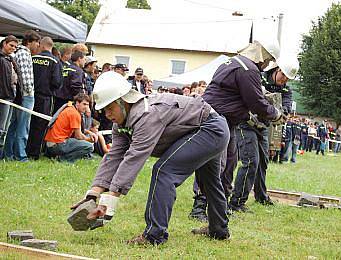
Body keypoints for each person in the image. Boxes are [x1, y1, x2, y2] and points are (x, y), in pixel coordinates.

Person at [71, 71, 230, 245]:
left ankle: (154, 235)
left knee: (164, 172)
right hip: (209, 127)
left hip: (211, 129)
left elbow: (134, 157)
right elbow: (115, 156)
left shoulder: (147, 115)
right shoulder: (121, 123)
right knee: (209, 181)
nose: (107, 115)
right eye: (104, 110)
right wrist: (93, 194)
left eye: (110, 108)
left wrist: (109, 202)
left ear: (124, 101)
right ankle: (219, 230)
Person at [189, 36, 285, 220]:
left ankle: (220, 207)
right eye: (268, 60)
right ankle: (199, 207)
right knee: (216, 164)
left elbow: (237, 96)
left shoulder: (233, 63)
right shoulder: (248, 70)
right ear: (263, 56)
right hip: (217, 120)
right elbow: (256, 103)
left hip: (224, 120)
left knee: (229, 163)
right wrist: (276, 114)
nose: (267, 65)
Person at [229, 53, 299, 212]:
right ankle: (237, 201)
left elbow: (285, 107)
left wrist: (282, 111)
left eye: (288, 79)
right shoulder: (258, 76)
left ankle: (261, 195)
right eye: (283, 76)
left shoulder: (286, 90)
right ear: (278, 69)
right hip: (245, 123)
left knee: (262, 162)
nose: (284, 81)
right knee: (251, 161)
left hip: (264, 126)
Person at [3, 31, 40, 162]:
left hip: (19, 95)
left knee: (14, 125)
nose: (38, 45)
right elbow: (25, 77)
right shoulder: (24, 53)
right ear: (29, 42)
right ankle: (21, 155)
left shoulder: (19, 53)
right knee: (23, 126)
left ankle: (8, 154)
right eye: (37, 42)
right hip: (26, 95)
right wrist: (29, 92)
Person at [26, 36, 63, 160]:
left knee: (28, 123)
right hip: (46, 98)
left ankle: (25, 149)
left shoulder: (33, 58)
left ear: (42, 45)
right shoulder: (55, 61)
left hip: (30, 95)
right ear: (51, 46)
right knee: (41, 124)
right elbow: (57, 82)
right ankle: (35, 153)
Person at [45, 93, 95, 162]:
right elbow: (78, 136)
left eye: (88, 105)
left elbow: (78, 129)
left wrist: (89, 132)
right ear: (77, 103)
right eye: (84, 104)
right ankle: (63, 159)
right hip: (57, 145)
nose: (86, 107)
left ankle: (59, 157)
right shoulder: (75, 114)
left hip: (51, 144)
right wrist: (90, 140)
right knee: (89, 147)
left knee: (82, 144)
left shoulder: (70, 108)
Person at [0, 35, 22, 156]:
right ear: (4, 44)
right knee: (1, 128)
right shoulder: (2, 59)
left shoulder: (10, 59)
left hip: (10, 97)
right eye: (11, 45)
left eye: (15, 46)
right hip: (3, 98)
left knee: (5, 129)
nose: (13, 48)